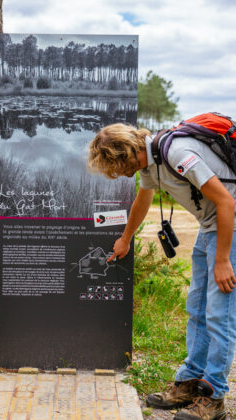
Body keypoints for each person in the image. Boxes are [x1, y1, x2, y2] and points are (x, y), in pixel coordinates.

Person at [88, 123, 236, 420]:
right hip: (210, 229)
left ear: (126, 153)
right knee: (197, 307)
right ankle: (191, 381)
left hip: (229, 228)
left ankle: (215, 396)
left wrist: (222, 259)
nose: (117, 174)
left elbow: (226, 201)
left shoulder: (178, 153)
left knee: (220, 313)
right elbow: (143, 200)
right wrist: (125, 238)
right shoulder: (149, 164)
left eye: (115, 166)